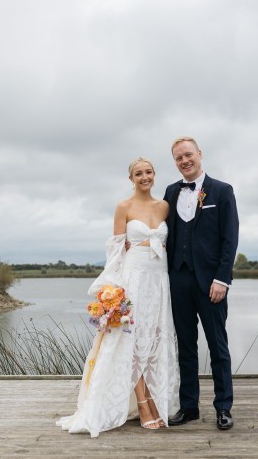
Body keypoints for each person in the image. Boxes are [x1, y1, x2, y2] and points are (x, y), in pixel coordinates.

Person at [57, 158, 179, 437]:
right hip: (133, 278)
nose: (144, 177)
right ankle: (144, 404)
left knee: (154, 338)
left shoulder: (164, 207)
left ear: (154, 175)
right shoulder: (123, 206)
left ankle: (157, 398)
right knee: (131, 341)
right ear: (131, 178)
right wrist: (112, 290)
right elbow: (114, 250)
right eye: (139, 173)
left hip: (159, 281)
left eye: (148, 172)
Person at [163, 137, 239, 430]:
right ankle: (189, 406)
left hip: (211, 283)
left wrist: (222, 279)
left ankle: (223, 407)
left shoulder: (222, 190)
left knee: (218, 345)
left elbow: (229, 239)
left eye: (188, 155)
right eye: (179, 158)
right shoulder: (170, 192)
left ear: (199, 155)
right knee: (185, 345)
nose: (185, 161)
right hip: (178, 279)